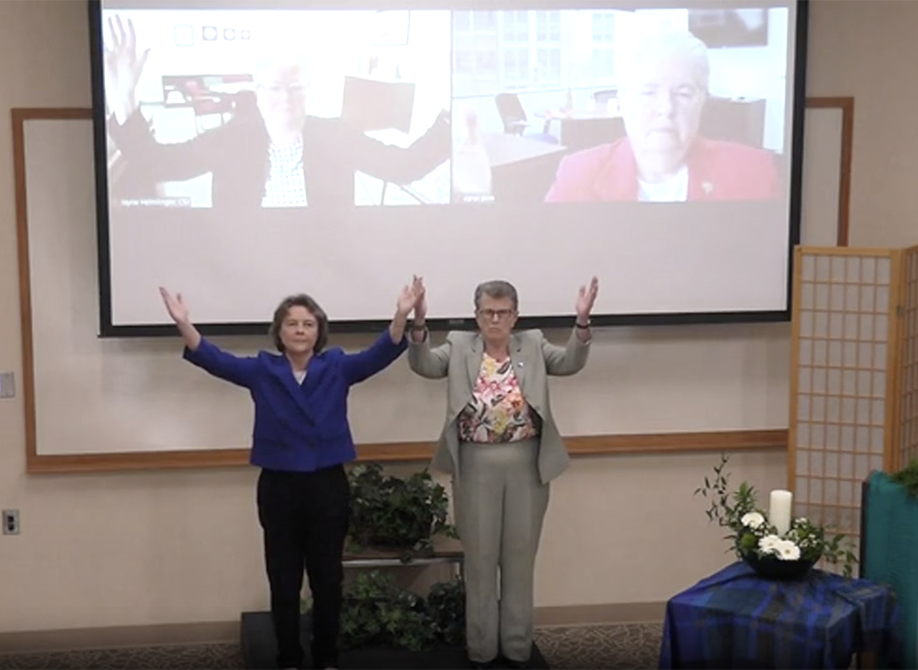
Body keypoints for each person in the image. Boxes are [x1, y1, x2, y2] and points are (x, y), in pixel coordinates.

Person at [159, 280, 421, 670]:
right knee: (283, 580)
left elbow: (381, 353)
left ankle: (327, 658)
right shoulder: (263, 370)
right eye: (292, 323)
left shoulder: (336, 366)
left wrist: (401, 315)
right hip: (279, 486)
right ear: (279, 332)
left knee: (327, 580)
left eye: (308, 324)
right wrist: (183, 323)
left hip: (326, 485)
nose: (300, 330)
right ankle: (288, 658)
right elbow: (215, 359)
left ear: (319, 332)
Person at [406, 277, 598, 669]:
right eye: (487, 312)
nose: (495, 319)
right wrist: (419, 324)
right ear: (476, 316)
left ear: (516, 315)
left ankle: (516, 647)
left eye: (503, 312)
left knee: (519, 558)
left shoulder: (534, 343)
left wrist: (581, 323)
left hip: (527, 462)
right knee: (479, 560)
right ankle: (481, 649)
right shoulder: (460, 346)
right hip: (476, 464)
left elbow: (570, 362)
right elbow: (425, 364)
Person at [103, 15, 450, 211]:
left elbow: (405, 167)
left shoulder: (335, 136)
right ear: (257, 93)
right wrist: (124, 97)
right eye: (273, 88)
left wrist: (449, 121)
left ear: (309, 91)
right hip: (250, 274)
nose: (285, 98)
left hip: (326, 275)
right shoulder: (232, 139)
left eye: (296, 87)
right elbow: (159, 162)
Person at [544, 30, 779, 203]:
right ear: (623, 101)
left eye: (683, 93)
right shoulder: (578, 174)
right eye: (649, 92)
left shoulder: (753, 172)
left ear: (702, 102)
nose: (666, 108)